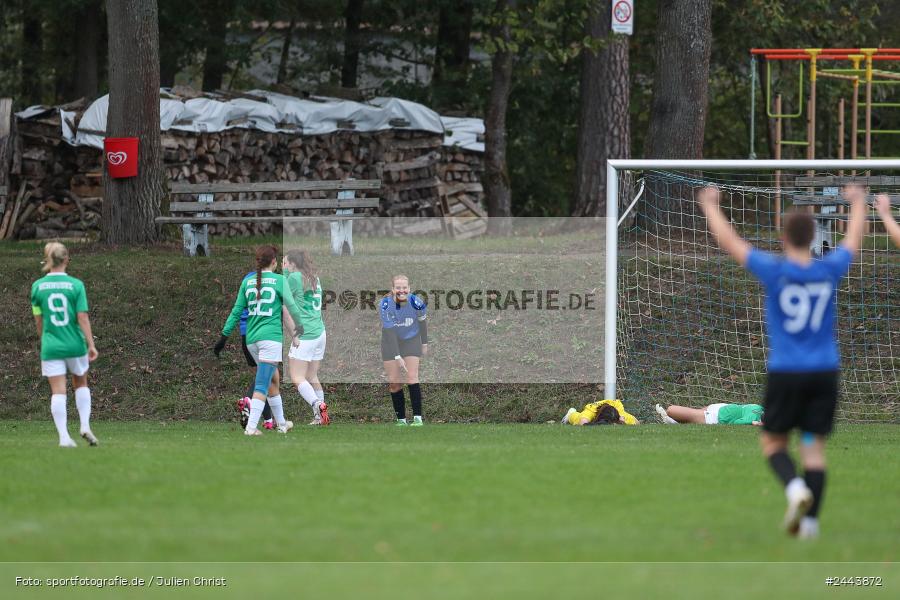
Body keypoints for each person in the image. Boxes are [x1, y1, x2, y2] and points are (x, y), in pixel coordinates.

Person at [698, 183, 867, 539]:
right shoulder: (828, 269)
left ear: (783, 236)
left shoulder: (776, 271)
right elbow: (853, 240)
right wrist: (858, 203)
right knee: (812, 447)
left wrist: (711, 206)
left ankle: (794, 489)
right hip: (825, 371)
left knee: (774, 444)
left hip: (787, 372)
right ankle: (810, 525)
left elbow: (732, 244)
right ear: (813, 239)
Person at [215, 245, 304, 436]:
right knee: (262, 383)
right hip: (270, 339)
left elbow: (236, 311)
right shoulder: (279, 280)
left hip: (251, 340)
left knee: (273, 379)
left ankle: (281, 423)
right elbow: (291, 306)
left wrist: (224, 336)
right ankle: (251, 428)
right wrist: (300, 326)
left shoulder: (248, 281)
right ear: (274, 262)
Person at [30, 242, 99, 447]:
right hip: (75, 344)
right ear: (67, 259)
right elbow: (82, 317)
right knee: (81, 383)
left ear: (48, 260)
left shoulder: (37, 287)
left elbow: (39, 319)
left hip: (51, 346)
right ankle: (85, 425)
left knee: (58, 391)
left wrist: (44, 340)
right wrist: (91, 343)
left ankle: (64, 437)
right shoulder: (76, 285)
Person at [283, 249, 329, 426]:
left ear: (293, 264)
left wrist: (286, 273)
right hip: (319, 332)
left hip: (306, 334)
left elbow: (283, 294)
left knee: (296, 377)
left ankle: (318, 405)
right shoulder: (314, 277)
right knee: (312, 375)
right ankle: (320, 417)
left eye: (286, 263)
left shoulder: (294, 278)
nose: (283, 266)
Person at [380, 275, 427, 426]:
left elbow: (422, 323)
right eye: (398, 288)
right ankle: (401, 420)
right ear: (393, 289)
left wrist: (424, 343)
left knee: (412, 377)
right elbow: (390, 333)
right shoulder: (386, 305)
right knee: (394, 382)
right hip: (391, 342)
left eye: (404, 287)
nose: (402, 290)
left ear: (409, 288)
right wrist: (397, 356)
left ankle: (418, 419)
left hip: (411, 340)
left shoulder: (416, 302)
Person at [236, 269, 274, 431]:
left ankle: (269, 419)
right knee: (267, 376)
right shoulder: (273, 281)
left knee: (264, 376)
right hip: (263, 334)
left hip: (246, 335)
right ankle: (249, 400)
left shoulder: (247, 278)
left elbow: (239, 307)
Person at [655, 402, 763, 426]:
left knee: (672, 411)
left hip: (717, 412)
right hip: (718, 412)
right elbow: (737, 422)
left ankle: (673, 422)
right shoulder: (757, 413)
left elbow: (736, 422)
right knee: (672, 411)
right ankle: (673, 422)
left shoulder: (758, 412)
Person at [561, 399, 639, 425]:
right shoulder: (590, 411)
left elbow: (637, 423)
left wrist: (621, 422)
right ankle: (571, 413)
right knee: (576, 418)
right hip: (591, 411)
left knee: (632, 421)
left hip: (617, 410)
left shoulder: (621, 414)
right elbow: (583, 423)